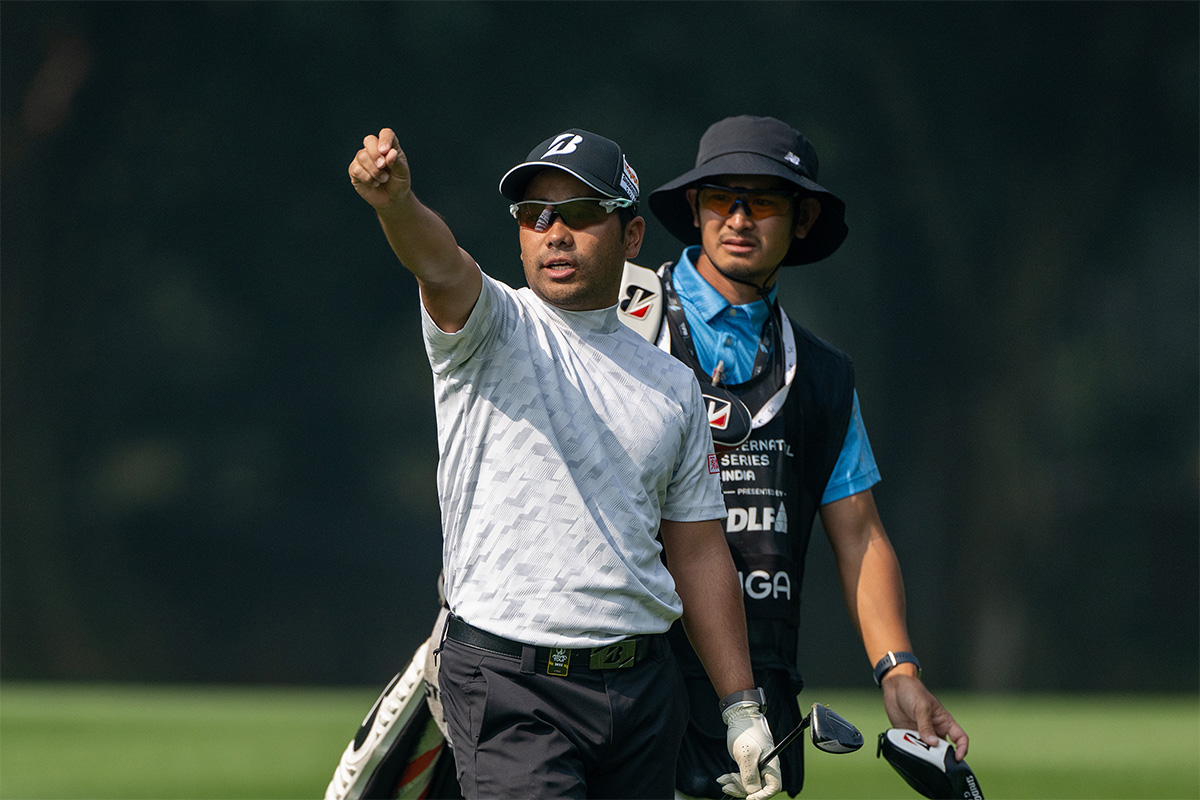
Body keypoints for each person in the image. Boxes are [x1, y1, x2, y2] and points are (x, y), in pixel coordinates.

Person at [347, 126, 783, 800]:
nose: (553, 232)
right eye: (534, 215)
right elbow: (439, 264)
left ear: (631, 237)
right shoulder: (491, 326)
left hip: (642, 692)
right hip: (509, 685)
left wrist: (742, 709)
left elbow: (698, 551)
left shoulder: (671, 386)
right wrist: (396, 205)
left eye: (580, 214)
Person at [637, 115, 970, 798]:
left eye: (761, 200)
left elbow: (861, 535)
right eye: (720, 197)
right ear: (695, 209)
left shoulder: (822, 375)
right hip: (634, 675)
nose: (737, 217)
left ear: (802, 217)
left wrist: (898, 671)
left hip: (763, 688)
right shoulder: (626, 323)